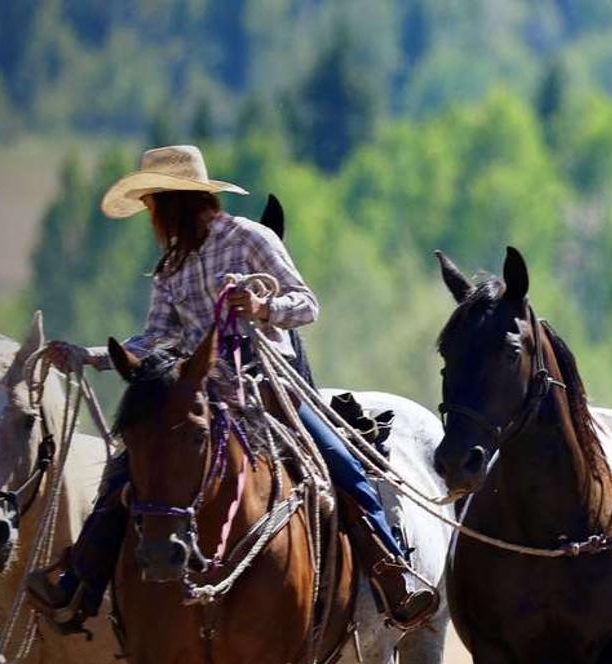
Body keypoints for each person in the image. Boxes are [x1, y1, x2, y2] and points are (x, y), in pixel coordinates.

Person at [25, 144, 439, 632]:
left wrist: (263, 308)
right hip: (200, 401)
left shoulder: (248, 238)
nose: (152, 216)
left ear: (173, 200)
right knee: (127, 474)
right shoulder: (169, 269)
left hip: (269, 393)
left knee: (340, 465)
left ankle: (394, 575)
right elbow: (155, 340)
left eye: (153, 203)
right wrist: (91, 356)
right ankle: (80, 581)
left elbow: (307, 304)